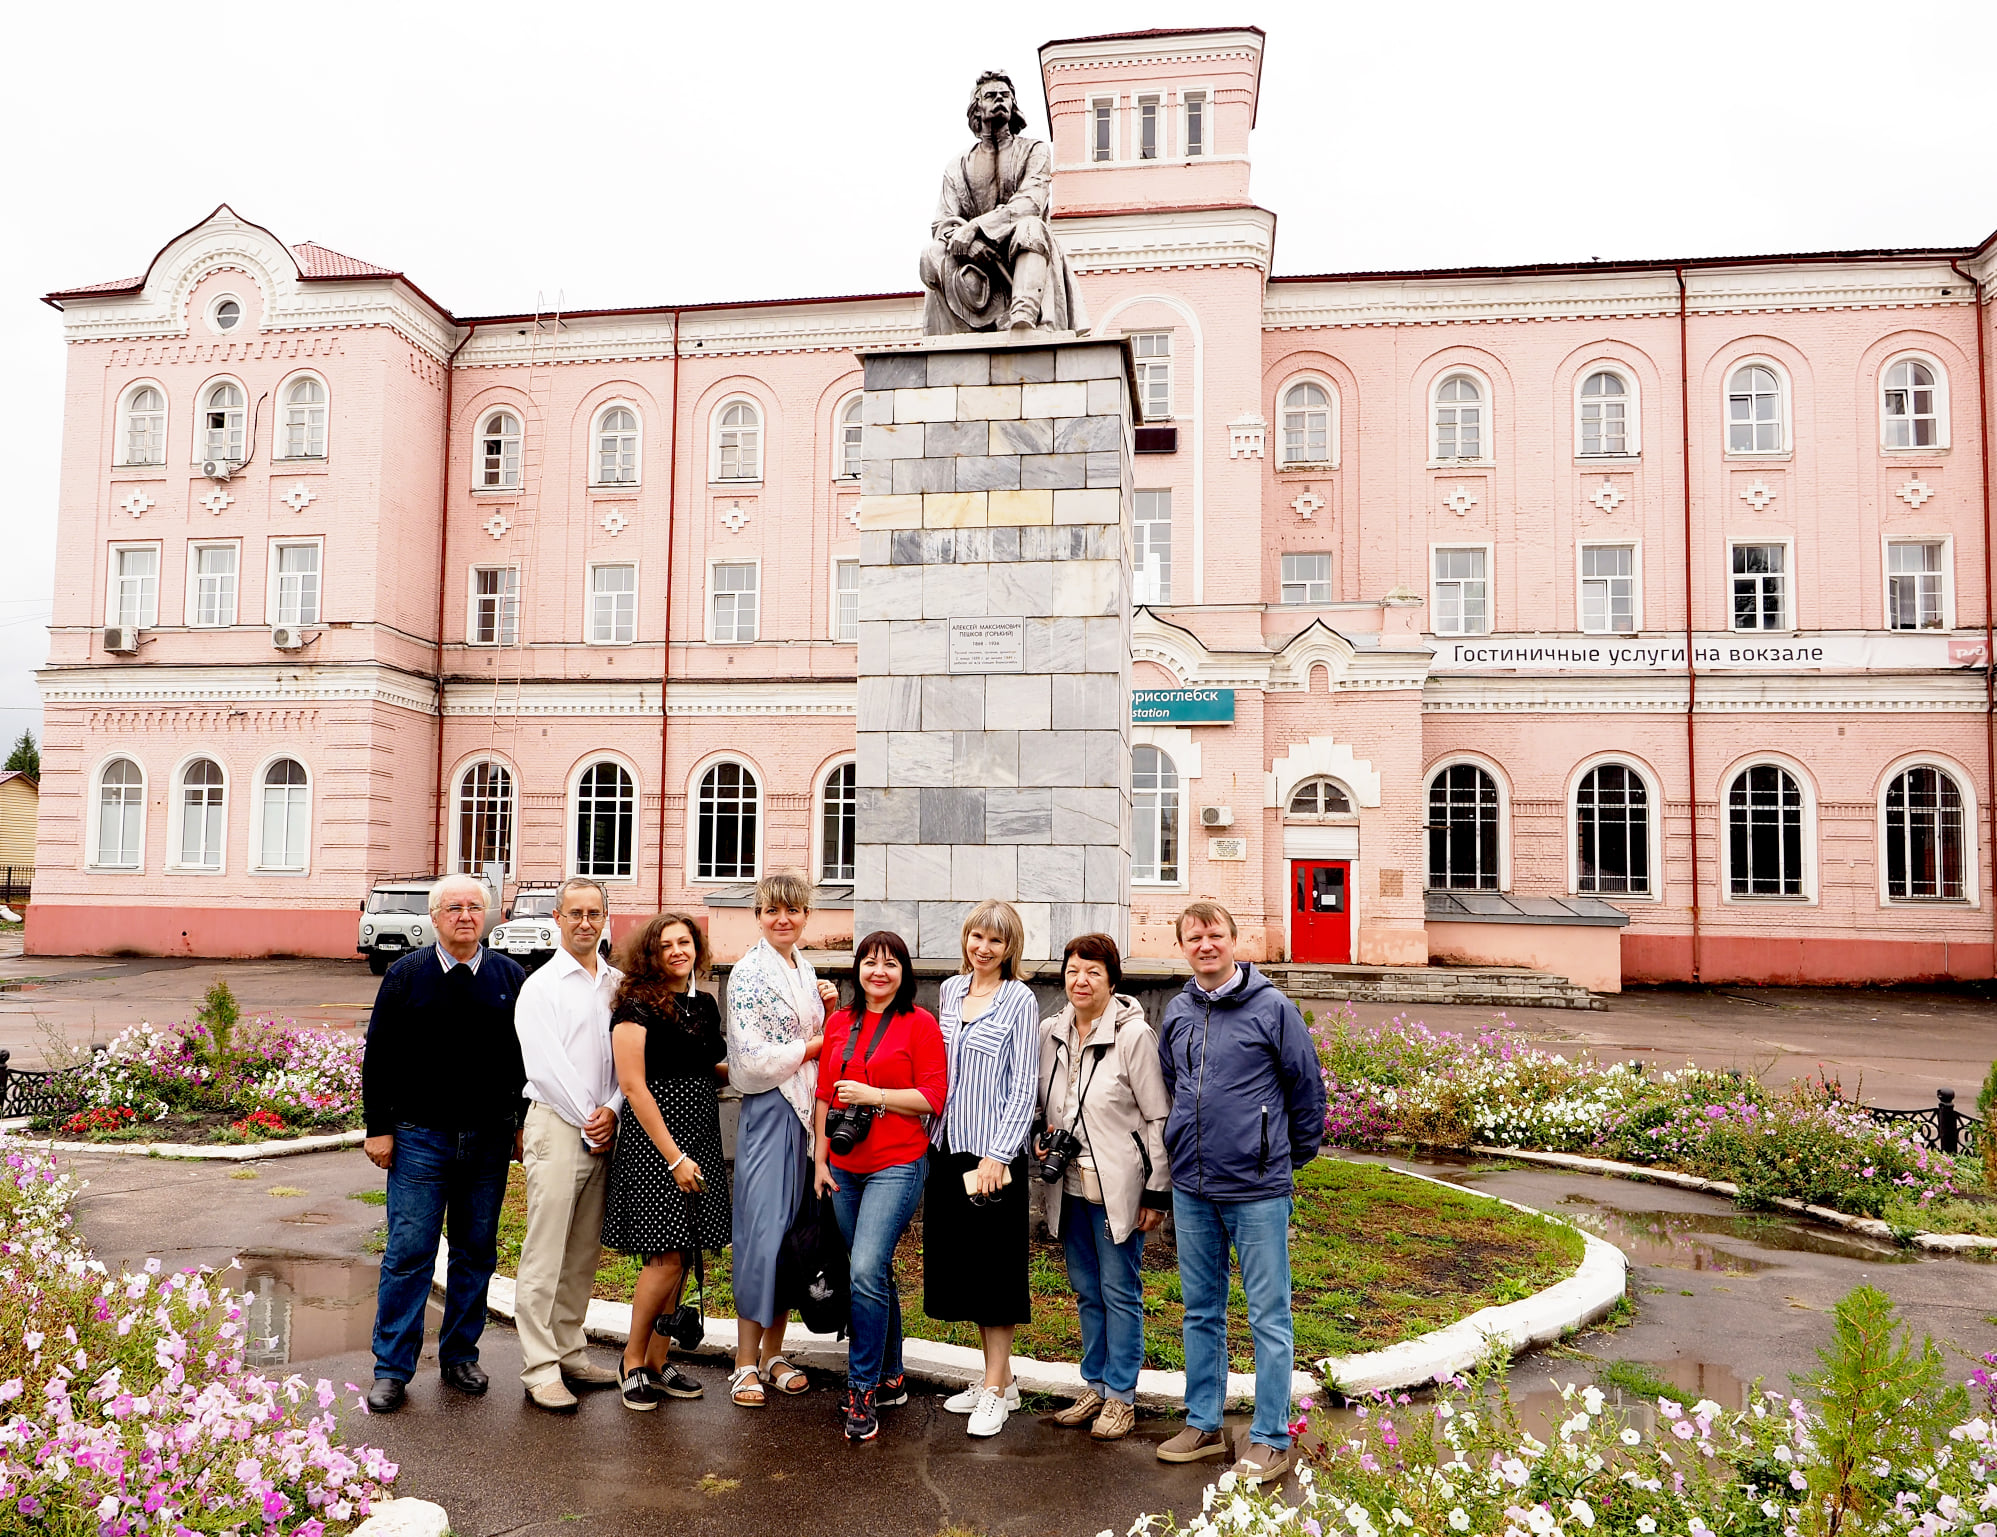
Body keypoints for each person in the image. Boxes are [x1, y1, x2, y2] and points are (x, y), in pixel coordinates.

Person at [1155, 901, 1327, 1485]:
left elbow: (1306, 1091)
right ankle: (1203, 1422)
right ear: (1182, 945)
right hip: (1193, 1186)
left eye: (1215, 935)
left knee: (1267, 1315)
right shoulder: (1177, 1011)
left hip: (1256, 1189)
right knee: (1201, 1311)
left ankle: (1271, 1437)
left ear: (1235, 940)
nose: (1205, 944)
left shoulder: (1272, 1008)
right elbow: (1172, 1084)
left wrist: (1278, 1156)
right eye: (1194, 936)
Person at [360, 873, 526, 1414]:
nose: (464, 916)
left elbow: (523, 1060)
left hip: (488, 1139)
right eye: (452, 907)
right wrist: (378, 1127)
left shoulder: (509, 976)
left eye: (474, 907)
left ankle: (459, 1356)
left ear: (489, 916)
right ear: (434, 917)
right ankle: (392, 1369)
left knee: (476, 1251)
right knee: (410, 1254)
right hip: (419, 1138)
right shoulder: (407, 975)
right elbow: (379, 1054)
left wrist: (520, 1123)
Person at [1035, 933, 1171, 1442]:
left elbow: (1158, 1117)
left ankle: (1121, 1397)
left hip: (1118, 1189)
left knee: (1120, 1292)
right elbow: (1042, 1105)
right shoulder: (1050, 1031)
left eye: (1092, 971)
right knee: (1086, 1290)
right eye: (1073, 970)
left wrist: (1156, 1192)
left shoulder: (1134, 1036)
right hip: (1067, 1184)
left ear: (1111, 979)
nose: (1081, 980)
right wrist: (1039, 1142)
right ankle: (1093, 1384)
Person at [812, 930, 946, 1443]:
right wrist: (819, 1160)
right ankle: (892, 1376)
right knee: (874, 1271)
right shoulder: (841, 1022)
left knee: (866, 1267)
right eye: (870, 962)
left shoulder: (919, 1024)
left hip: (898, 1162)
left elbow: (934, 1097)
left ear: (904, 973)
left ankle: (862, 1388)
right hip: (844, 1165)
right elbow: (824, 1095)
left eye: (890, 964)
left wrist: (876, 1095)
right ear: (857, 970)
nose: (879, 972)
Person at [601, 912, 732, 1410]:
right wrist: (674, 1155)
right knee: (664, 1257)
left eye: (685, 942)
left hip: (698, 1131)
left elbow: (710, 1069)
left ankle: (658, 1360)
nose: (678, 951)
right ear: (650, 955)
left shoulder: (702, 1004)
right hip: (658, 1142)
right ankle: (632, 1361)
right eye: (666, 945)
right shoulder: (636, 1006)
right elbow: (633, 1085)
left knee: (684, 1252)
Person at [926, 899, 1039, 1438]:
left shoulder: (1019, 1000)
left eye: (995, 940)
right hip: (948, 1150)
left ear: (1009, 947)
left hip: (993, 1158)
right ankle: (1001, 1378)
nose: (984, 948)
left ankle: (994, 1391)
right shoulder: (950, 992)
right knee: (968, 1269)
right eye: (976, 937)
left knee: (995, 1273)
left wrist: (999, 1154)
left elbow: (1023, 1085)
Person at [725, 870, 838, 1408]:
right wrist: (816, 1045)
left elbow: (817, 1036)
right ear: (759, 915)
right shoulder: (749, 974)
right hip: (771, 1111)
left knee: (795, 1233)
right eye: (773, 910)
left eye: (793, 910)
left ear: (805, 916)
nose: (783, 919)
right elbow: (753, 1058)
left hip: (807, 1113)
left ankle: (774, 1352)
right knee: (762, 1234)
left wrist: (829, 1008)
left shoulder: (803, 966)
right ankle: (744, 1362)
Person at [512, 877, 625, 1412]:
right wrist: (589, 1116)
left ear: (607, 919)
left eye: (594, 914)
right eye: (574, 913)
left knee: (582, 1250)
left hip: (606, 1125)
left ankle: (569, 1349)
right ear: (557, 919)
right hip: (559, 1125)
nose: (585, 922)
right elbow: (545, 1065)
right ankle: (539, 1368)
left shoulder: (617, 985)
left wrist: (613, 1110)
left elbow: (627, 1060)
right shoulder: (541, 986)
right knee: (545, 1250)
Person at [917, 69, 1088, 334]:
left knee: (1031, 226)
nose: (999, 99)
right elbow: (942, 223)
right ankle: (962, 330)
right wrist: (971, 244)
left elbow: (1030, 202)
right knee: (930, 253)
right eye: (991, 95)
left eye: (1005, 96)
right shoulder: (957, 166)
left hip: (1022, 252)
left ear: (1013, 106)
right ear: (977, 109)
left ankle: (1023, 315)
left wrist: (976, 228)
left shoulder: (1035, 150)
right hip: (972, 262)